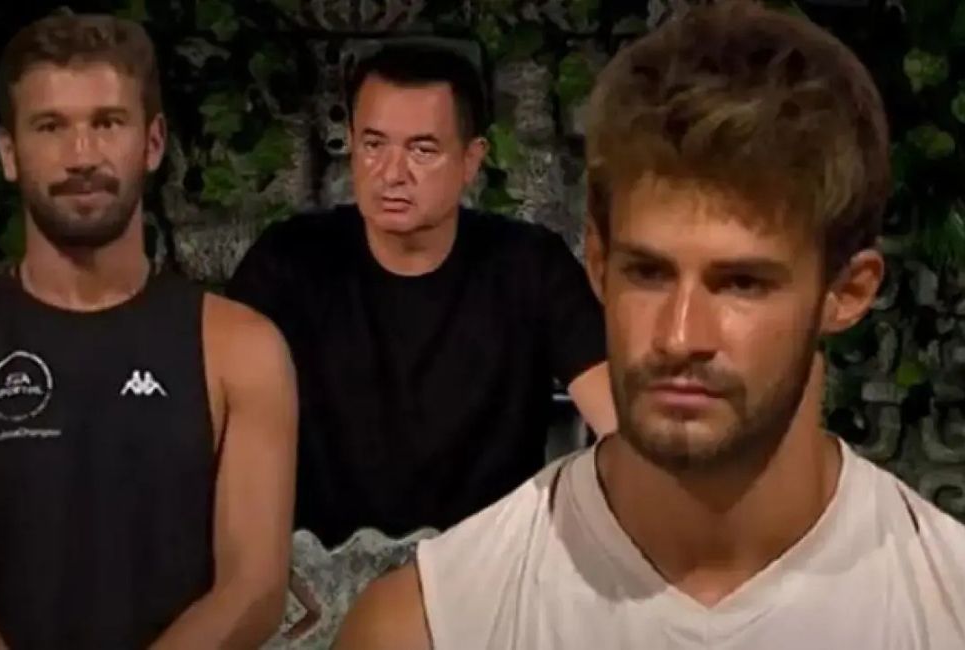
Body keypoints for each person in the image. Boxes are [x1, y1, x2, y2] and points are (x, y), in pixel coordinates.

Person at [333, 2, 965, 648]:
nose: (680, 336)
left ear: (847, 293)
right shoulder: (427, 627)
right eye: (649, 273)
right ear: (599, 265)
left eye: (742, 283)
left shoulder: (947, 609)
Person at [0, 14, 297, 649]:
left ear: (153, 142)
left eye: (107, 123)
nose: (81, 156)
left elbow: (253, 587)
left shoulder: (241, 350)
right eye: (50, 127)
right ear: (9, 153)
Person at [226, 41, 617, 549]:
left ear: (471, 160)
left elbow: (620, 424)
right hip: (317, 568)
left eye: (422, 150)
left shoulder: (527, 266)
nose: (391, 174)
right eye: (373, 145)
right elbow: (210, 418)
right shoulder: (291, 262)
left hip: (489, 565)